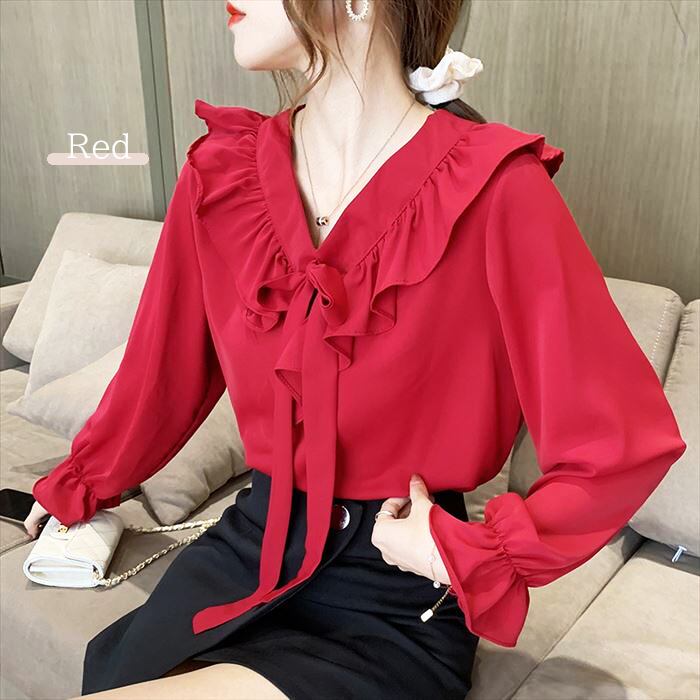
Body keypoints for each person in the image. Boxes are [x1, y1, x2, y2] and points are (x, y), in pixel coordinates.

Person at [24, 1, 687, 698]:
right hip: (246, 550)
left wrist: (473, 551)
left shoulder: (496, 187)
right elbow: (161, 373)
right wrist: (81, 483)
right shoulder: (221, 174)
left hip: (392, 590)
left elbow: (621, 443)